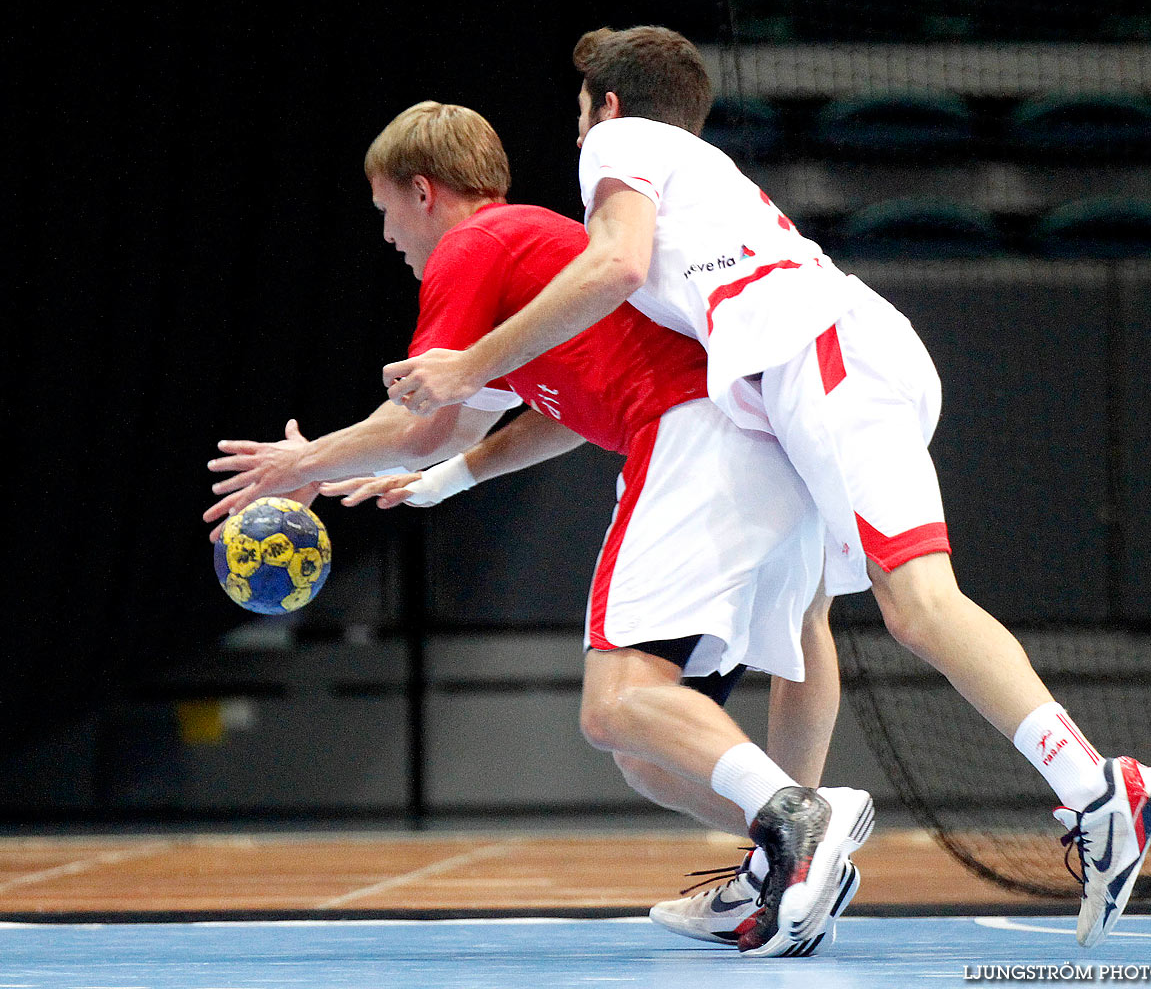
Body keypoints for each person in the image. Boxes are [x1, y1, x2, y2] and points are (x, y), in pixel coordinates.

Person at [377, 30, 1151, 950]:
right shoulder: (693, 171)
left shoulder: (619, 146)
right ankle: (786, 861)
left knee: (916, 604)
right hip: (824, 365)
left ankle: (1095, 787)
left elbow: (617, 266)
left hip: (814, 350)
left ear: (606, 105)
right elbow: (572, 368)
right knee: (808, 624)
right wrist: (449, 465)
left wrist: (466, 365)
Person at [204, 100, 869, 958]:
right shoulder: (532, 251)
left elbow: (425, 419)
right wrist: (439, 482)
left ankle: (795, 819)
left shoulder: (476, 247)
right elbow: (528, 412)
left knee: (614, 704)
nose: (387, 237)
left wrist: (301, 467)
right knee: (648, 750)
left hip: (698, 433)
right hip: (761, 437)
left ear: (422, 190)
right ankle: (793, 855)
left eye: (385, 213)